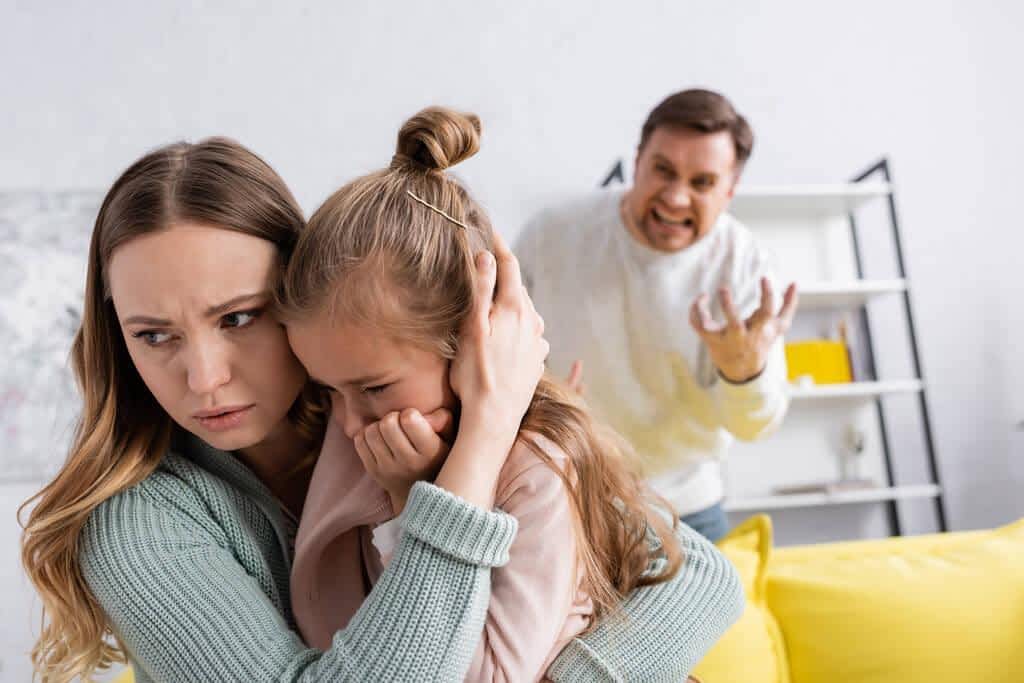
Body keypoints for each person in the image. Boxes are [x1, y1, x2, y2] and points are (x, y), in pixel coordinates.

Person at [18, 136, 741, 683]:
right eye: (154, 335)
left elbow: (701, 578)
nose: (203, 378)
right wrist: (480, 445)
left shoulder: (399, 398)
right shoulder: (138, 524)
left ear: (306, 297)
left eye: (238, 317)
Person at [281, 106, 739, 682]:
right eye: (327, 391)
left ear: (478, 342)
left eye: (373, 387)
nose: (347, 423)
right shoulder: (364, 427)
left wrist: (411, 505)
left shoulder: (536, 470)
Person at [516, 89, 799, 542]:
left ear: (729, 190)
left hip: (687, 508)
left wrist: (743, 373)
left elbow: (756, 426)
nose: (675, 198)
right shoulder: (553, 235)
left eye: (702, 183)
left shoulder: (744, 264)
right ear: (638, 160)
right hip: (569, 496)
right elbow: (494, 352)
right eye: (662, 170)